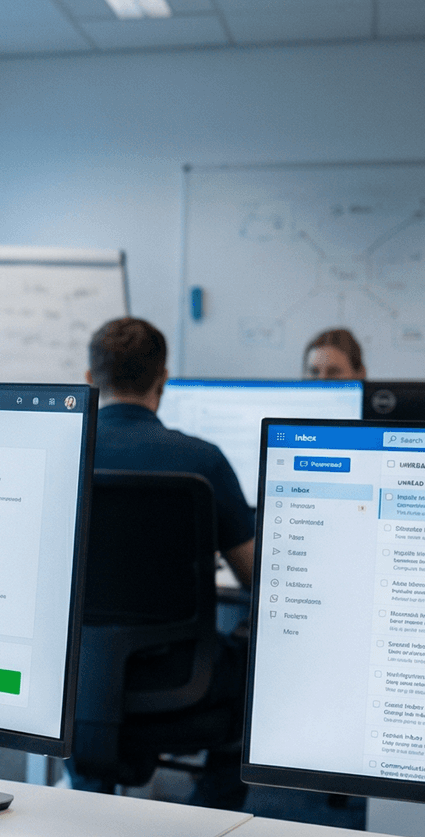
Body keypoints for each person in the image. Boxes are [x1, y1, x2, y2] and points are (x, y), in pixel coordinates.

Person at [80, 317, 252, 810]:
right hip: (180, 687)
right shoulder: (204, 460)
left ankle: (86, 798)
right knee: (254, 664)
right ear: (163, 381)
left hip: (73, 685)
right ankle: (207, 823)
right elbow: (256, 578)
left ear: (90, 379)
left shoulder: (64, 450)